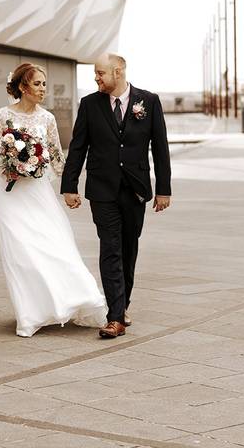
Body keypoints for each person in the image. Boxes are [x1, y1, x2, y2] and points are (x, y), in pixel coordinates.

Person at [0, 62, 106, 337]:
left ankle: (74, 298)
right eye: (37, 84)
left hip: (38, 191)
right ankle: (31, 314)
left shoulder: (47, 119)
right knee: (20, 250)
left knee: (54, 244)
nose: (42, 89)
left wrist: (69, 187)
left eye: (44, 84)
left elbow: (56, 155)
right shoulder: (2, 116)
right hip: (9, 192)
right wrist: (10, 166)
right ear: (23, 87)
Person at [61, 53, 171, 339]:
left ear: (118, 71)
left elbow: (160, 148)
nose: (96, 78)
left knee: (128, 249)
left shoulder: (149, 102)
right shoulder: (89, 105)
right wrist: (69, 185)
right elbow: (77, 148)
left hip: (135, 191)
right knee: (110, 249)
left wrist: (163, 189)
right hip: (102, 191)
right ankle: (115, 318)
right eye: (96, 74)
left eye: (100, 73)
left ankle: (122, 305)